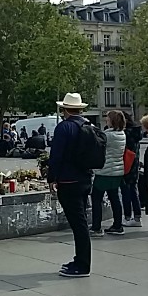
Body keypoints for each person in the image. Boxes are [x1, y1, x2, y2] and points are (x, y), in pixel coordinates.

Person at [48, 93, 93, 278]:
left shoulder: (64, 127)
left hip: (68, 180)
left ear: (64, 109)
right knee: (80, 221)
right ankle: (80, 259)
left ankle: (83, 264)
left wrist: (51, 178)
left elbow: (56, 156)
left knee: (78, 224)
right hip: (85, 178)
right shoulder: (88, 125)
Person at [90, 111, 126, 237]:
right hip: (117, 171)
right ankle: (118, 225)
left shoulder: (108, 135)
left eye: (108, 118)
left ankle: (96, 227)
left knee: (96, 199)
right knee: (115, 198)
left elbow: (97, 146)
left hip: (104, 171)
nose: (106, 120)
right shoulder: (122, 134)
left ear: (112, 120)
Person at [122, 111, 143, 227]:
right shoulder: (135, 132)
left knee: (126, 191)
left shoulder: (126, 133)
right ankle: (137, 216)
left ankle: (128, 216)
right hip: (134, 164)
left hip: (126, 164)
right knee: (133, 191)